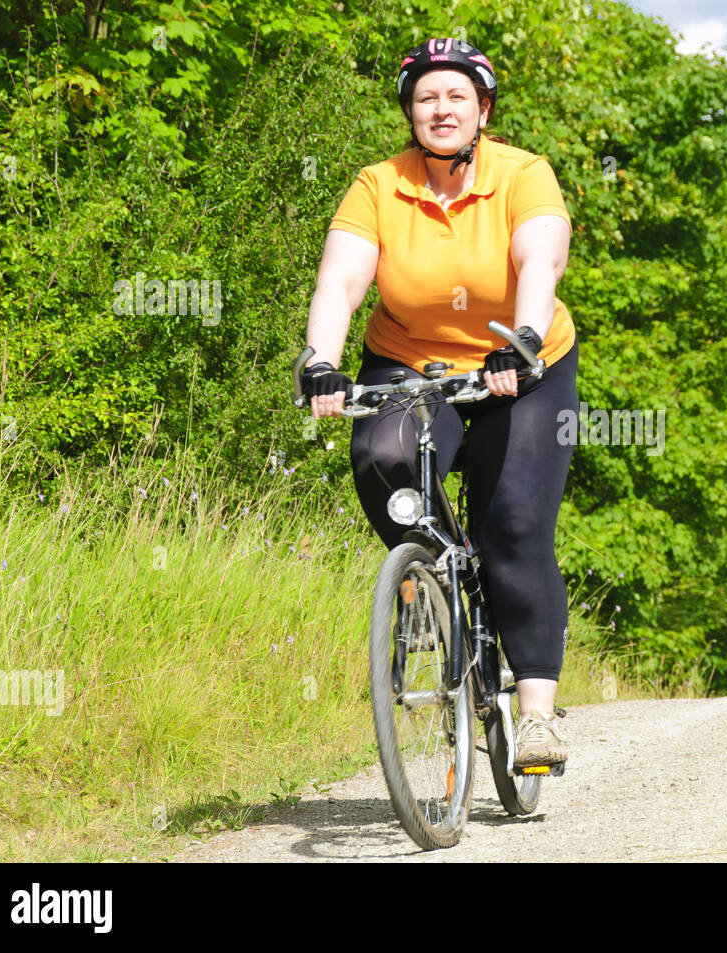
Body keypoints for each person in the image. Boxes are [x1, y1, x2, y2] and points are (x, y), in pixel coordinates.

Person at [297, 37, 577, 767]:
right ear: (409, 112)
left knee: (514, 526)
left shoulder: (523, 175)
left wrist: (519, 340)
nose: (441, 109)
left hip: (517, 367)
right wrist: (320, 360)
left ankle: (537, 717)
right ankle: (425, 579)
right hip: (411, 360)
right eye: (426, 98)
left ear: (483, 108)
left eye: (456, 96)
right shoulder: (378, 184)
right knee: (384, 455)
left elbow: (538, 259)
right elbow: (341, 281)